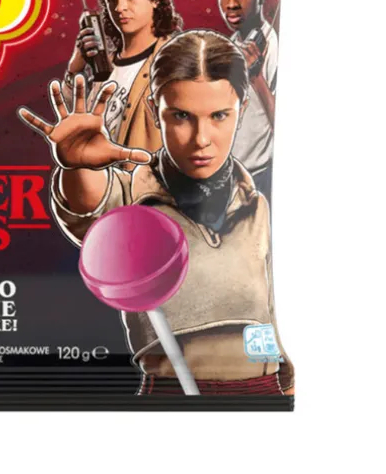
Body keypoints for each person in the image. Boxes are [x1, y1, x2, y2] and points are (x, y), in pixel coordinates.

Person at [18, 30, 293, 396]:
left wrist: (287, 384)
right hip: (169, 394)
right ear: (153, 111)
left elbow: (271, 310)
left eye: (219, 116)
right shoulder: (133, 196)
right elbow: (89, 207)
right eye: (181, 116)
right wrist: (78, 166)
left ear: (240, 111)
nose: (201, 139)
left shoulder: (257, 203)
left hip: (264, 390)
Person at [63, 0, 182, 165]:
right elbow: (74, 127)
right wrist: (74, 69)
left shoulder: (177, 60)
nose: (119, 8)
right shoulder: (105, 67)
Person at [213, 0, 277, 200]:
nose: (231, 4)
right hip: (227, 179)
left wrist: (257, 78)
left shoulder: (274, 45)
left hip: (258, 180)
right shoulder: (231, 44)